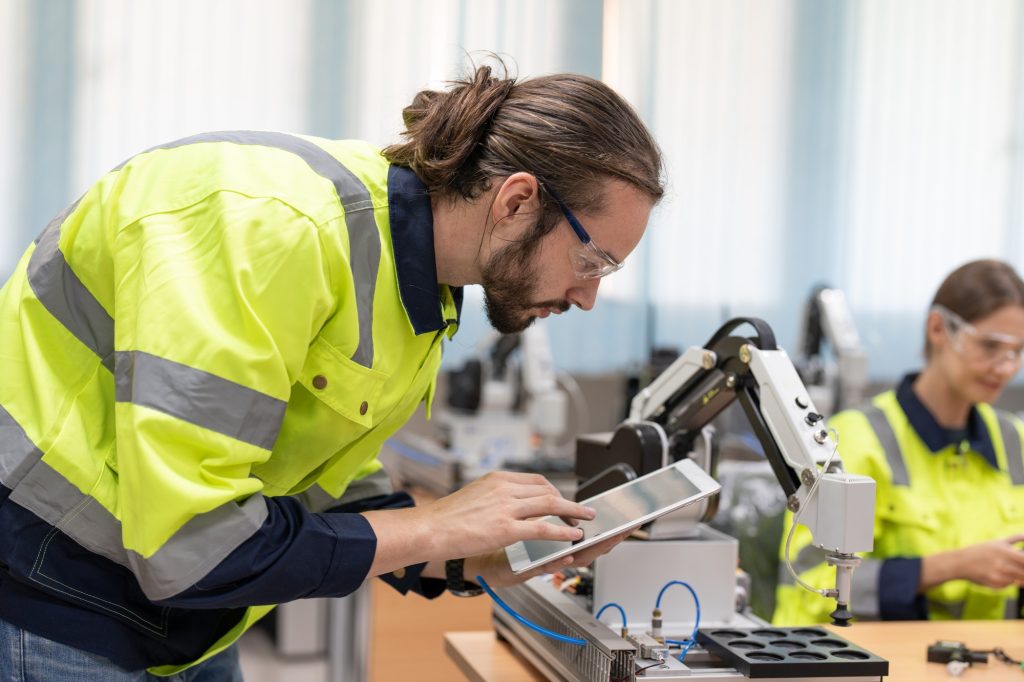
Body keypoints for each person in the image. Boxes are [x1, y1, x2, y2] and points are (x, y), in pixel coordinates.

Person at [0, 63, 664, 679]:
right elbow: (191, 546)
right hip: (56, 589)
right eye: (593, 262)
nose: (588, 297)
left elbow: (323, 483)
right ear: (518, 200)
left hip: (184, 618)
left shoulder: (419, 289)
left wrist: (472, 555)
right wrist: (437, 525)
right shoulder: (273, 231)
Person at [774, 259, 1024, 625]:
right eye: (990, 346)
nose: (1006, 368)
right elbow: (810, 586)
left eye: (1017, 351)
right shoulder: (853, 442)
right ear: (938, 329)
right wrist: (949, 567)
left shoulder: (1014, 440)